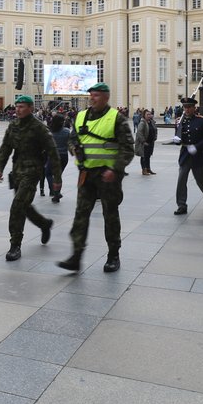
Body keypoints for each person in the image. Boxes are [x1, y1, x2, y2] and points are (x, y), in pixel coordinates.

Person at [57, 82, 135, 273]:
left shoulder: (116, 118)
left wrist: (115, 170)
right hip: (86, 175)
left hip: (108, 176)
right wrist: (74, 148)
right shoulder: (81, 116)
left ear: (106, 97)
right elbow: (73, 138)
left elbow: (128, 149)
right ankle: (76, 255)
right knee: (80, 216)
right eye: (91, 95)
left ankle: (113, 255)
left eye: (97, 95)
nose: (92, 98)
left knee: (110, 215)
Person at [0, 96, 61, 261]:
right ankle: (44, 224)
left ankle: (15, 245)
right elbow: (5, 148)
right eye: (17, 106)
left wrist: (57, 178)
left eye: (22, 107)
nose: (18, 109)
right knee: (25, 206)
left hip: (33, 172)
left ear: (31, 108)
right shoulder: (13, 126)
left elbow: (53, 152)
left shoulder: (39, 128)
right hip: (17, 171)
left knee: (17, 206)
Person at [171, 97, 203, 215]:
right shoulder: (180, 121)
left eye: (189, 107)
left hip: (198, 155)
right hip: (185, 154)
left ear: (194, 108)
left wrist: (197, 146)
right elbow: (178, 136)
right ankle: (181, 205)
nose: (187, 109)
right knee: (181, 180)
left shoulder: (202, 121)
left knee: (200, 179)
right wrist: (177, 140)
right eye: (185, 107)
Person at [45, 113, 72, 200]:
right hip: (64, 156)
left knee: (48, 173)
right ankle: (57, 194)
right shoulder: (67, 131)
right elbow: (70, 143)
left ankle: (54, 191)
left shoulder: (50, 132)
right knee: (58, 175)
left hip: (53, 156)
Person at [134, 109, 157, 176]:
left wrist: (155, 137)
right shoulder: (142, 123)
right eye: (147, 114)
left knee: (148, 156)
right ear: (144, 115)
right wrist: (143, 141)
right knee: (143, 156)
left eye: (150, 114)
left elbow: (155, 129)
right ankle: (144, 170)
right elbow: (139, 133)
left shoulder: (151, 122)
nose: (149, 116)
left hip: (150, 142)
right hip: (144, 143)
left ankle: (148, 168)